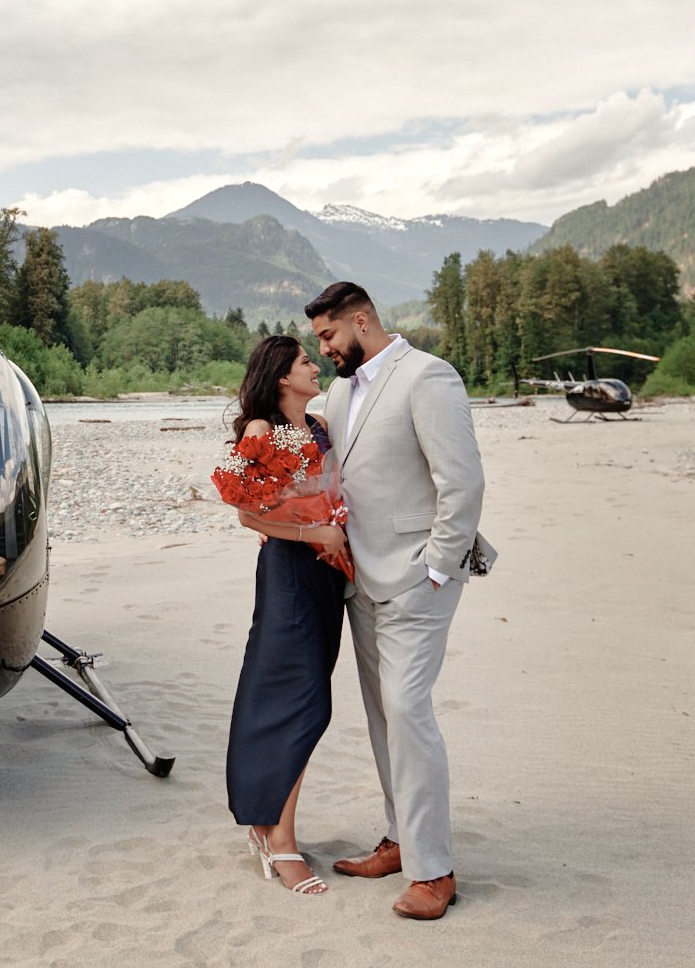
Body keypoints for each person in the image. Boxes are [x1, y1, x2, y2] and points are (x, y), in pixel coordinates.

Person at [304, 280, 495, 922]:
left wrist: (437, 567)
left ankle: (434, 870)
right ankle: (398, 839)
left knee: (407, 710)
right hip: (359, 580)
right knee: (383, 716)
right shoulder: (338, 391)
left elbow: (461, 481)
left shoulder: (428, 377)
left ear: (362, 321)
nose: (325, 349)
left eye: (329, 335)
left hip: (418, 576)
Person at [223, 334, 350, 896]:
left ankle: (265, 821)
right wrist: (311, 531)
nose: (315, 366)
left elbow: (331, 491)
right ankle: (281, 840)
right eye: (305, 361)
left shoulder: (319, 426)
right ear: (281, 377)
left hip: (326, 573)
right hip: (289, 574)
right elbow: (249, 516)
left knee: (304, 694)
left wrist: (338, 531)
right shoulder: (260, 431)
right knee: (304, 702)